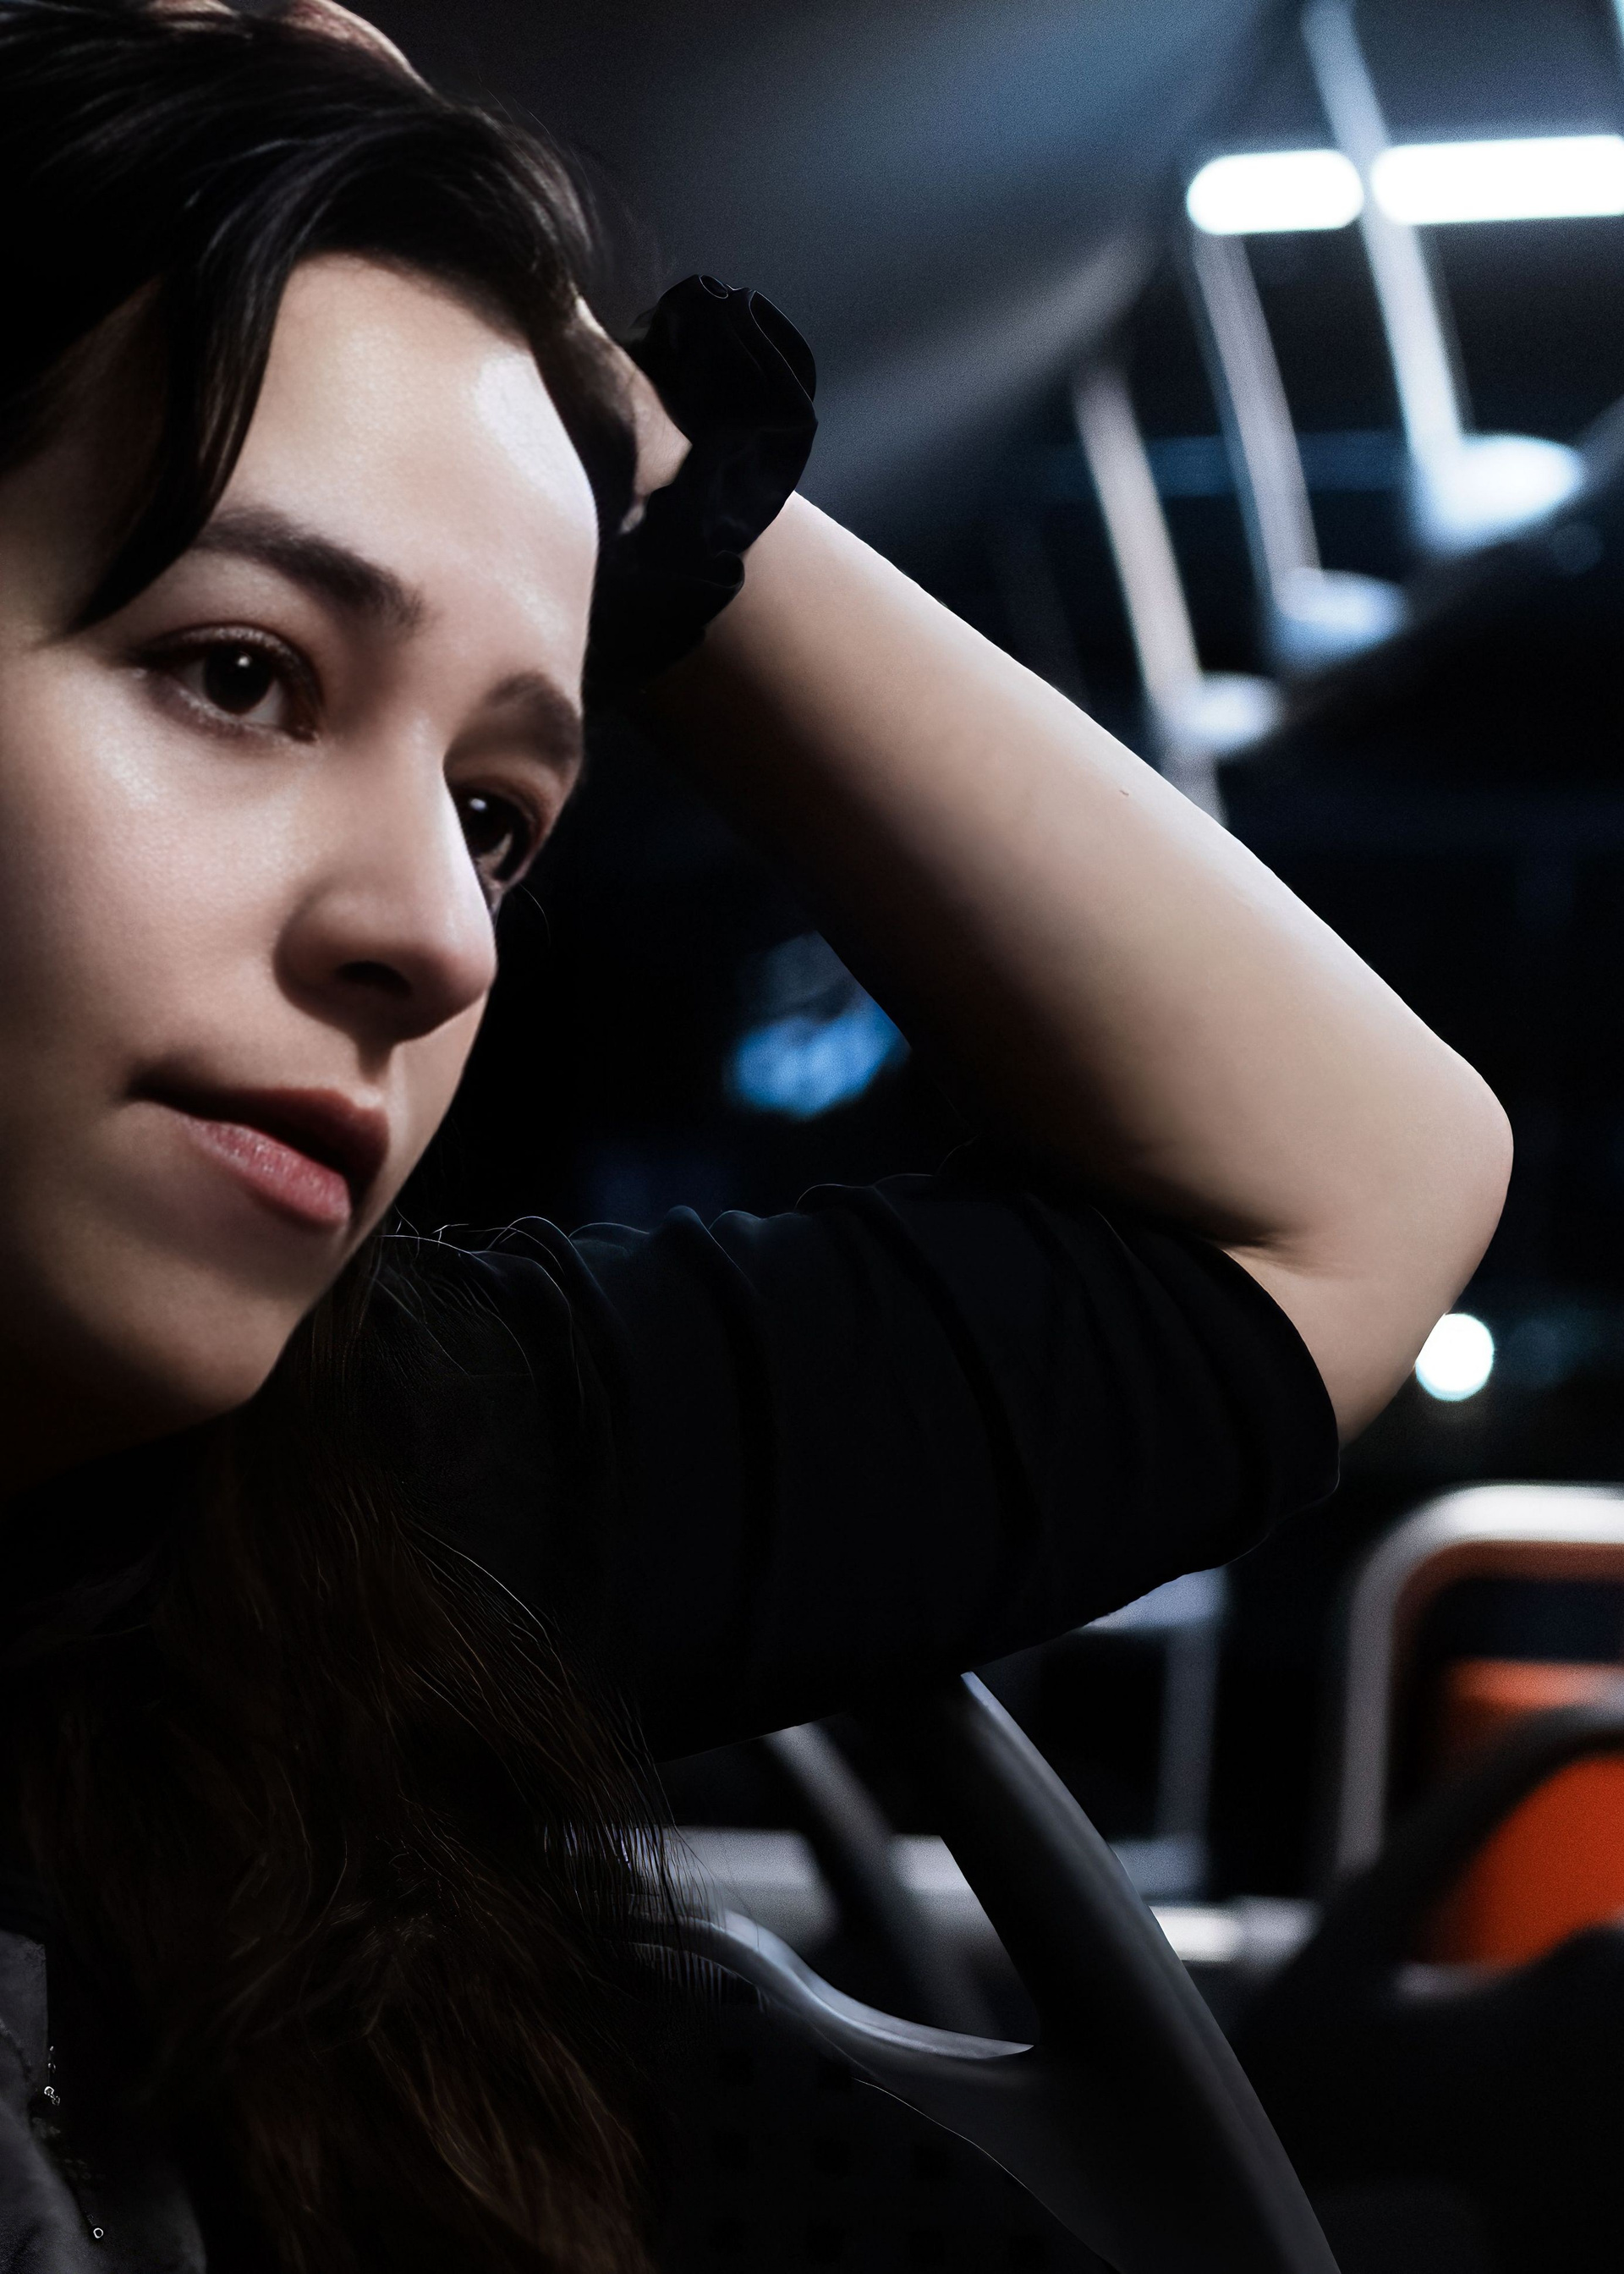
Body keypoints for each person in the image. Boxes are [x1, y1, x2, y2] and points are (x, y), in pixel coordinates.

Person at [0, 2, 1511, 2267]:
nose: (437, 933)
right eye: (242, 673)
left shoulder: (359, 1496)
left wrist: (646, 478)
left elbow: (1346, 1195)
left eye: (496, 813)